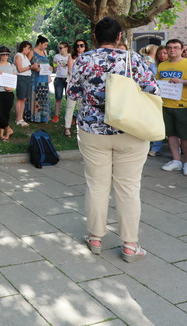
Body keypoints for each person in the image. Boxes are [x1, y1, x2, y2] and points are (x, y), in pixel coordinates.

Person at [68, 17, 158, 263]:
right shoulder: (135, 59)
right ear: (120, 36)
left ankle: (95, 238)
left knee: (96, 185)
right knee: (128, 187)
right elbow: (153, 90)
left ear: (94, 37)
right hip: (130, 130)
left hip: (92, 130)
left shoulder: (84, 60)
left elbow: (72, 93)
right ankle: (130, 245)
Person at [157, 39, 187, 176]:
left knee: (185, 136)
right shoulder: (162, 65)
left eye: (175, 47)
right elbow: (157, 82)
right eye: (169, 47)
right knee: (171, 134)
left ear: (181, 50)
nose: (172, 50)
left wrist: (182, 81)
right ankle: (176, 160)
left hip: (183, 104)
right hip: (166, 104)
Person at [62, 39, 89, 136]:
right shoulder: (71, 57)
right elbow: (71, 71)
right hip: (74, 84)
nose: (79, 47)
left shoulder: (89, 56)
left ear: (85, 46)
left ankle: (82, 127)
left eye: (82, 45)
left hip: (85, 85)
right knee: (70, 106)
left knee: (83, 106)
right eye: (77, 46)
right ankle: (67, 127)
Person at [30, 36, 51, 123]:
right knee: (36, 97)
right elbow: (27, 65)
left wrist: (50, 69)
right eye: (45, 45)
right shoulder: (32, 52)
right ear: (40, 43)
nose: (46, 46)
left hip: (44, 78)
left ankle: (44, 117)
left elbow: (47, 64)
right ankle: (34, 117)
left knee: (44, 97)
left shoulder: (45, 52)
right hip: (36, 78)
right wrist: (33, 68)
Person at [13, 41, 34, 126]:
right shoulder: (18, 55)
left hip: (27, 78)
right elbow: (20, 69)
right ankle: (18, 118)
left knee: (24, 99)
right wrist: (30, 67)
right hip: (21, 78)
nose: (29, 50)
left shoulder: (25, 57)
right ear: (23, 47)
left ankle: (21, 118)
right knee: (20, 98)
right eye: (28, 48)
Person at [52, 42, 71, 123]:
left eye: (61, 48)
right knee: (58, 98)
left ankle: (69, 117)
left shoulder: (70, 56)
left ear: (66, 48)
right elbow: (55, 65)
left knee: (69, 99)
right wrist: (58, 72)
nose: (59, 49)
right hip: (59, 79)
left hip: (68, 80)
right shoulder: (56, 57)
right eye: (58, 48)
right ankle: (56, 116)